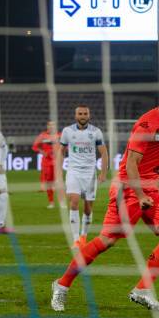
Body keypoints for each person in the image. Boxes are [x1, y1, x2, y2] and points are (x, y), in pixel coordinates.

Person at [51, 78, 159, 312]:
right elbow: (131, 164)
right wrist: (139, 195)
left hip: (148, 188)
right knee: (107, 241)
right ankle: (62, 285)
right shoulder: (148, 123)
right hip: (128, 189)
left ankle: (142, 290)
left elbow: (152, 161)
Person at [56, 105, 108, 248]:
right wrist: (59, 172)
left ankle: (84, 236)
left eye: (85, 113)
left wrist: (103, 173)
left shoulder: (96, 132)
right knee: (73, 201)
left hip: (90, 173)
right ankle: (76, 239)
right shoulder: (67, 131)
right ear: (75, 116)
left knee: (87, 208)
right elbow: (61, 151)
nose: (83, 116)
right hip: (73, 171)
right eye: (80, 113)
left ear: (89, 115)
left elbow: (103, 153)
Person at [32, 120, 62, 208]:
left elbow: (66, 146)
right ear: (47, 126)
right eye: (50, 125)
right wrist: (42, 152)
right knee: (49, 182)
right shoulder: (42, 135)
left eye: (53, 125)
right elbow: (34, 146)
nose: (51, 127)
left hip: (57, 162)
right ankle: (51, 202)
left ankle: (61, 202)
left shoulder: (59, 135)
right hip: (46, 163)